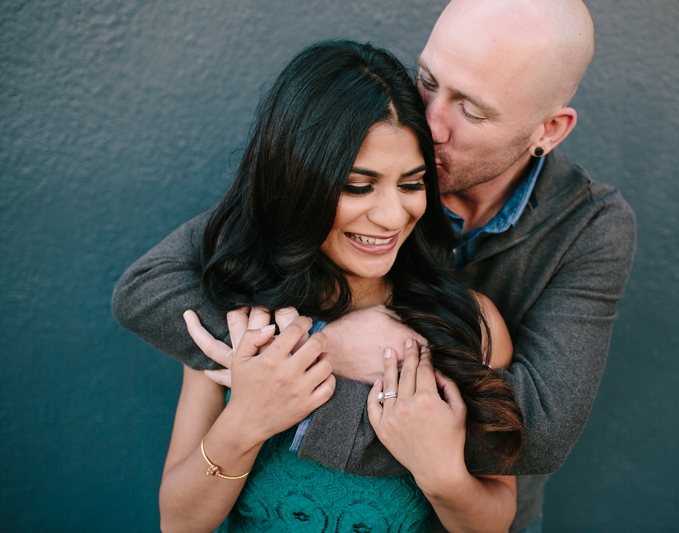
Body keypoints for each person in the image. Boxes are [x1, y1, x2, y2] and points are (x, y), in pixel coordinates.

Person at [112, 0, 637, 531]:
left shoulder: (588, 230)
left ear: (549, 129)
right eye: (428, 81)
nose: (428, 125)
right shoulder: (254, 288)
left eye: (471, 111)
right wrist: (310, 349)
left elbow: (538, 433)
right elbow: (146, 291)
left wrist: (393, 379)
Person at [155, 40, 524, 533]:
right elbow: (179, 524)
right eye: (358, 186)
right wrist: (246, 422)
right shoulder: (241, 315)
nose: (394, 215)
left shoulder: (467, 324)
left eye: (412, 184)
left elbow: (495, 521)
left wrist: (441, 474)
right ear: (298, 181)